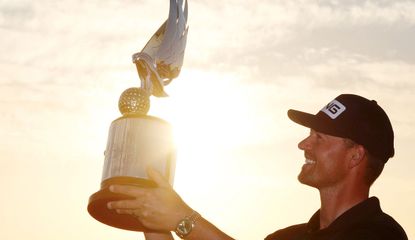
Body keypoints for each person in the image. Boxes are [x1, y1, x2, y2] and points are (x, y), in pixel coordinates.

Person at [107, 94, 408, 240]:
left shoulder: (381, 235)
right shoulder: (285, 238)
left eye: (319, 137)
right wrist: (150, 215)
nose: (304, 145)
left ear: (355, 156)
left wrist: (184, 220)